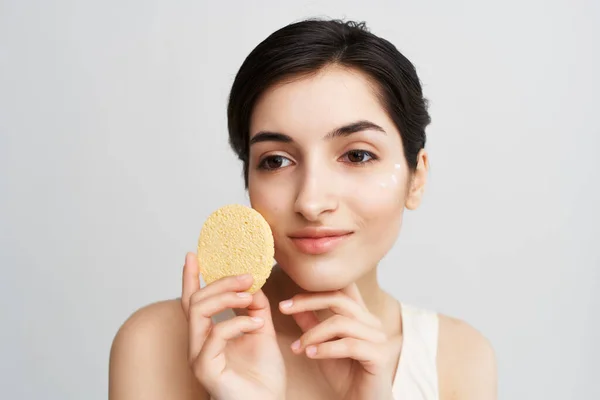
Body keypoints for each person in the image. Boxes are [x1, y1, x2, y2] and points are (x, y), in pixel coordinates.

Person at [108, 18, 497, 400]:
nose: (310, 203)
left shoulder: (457, 359)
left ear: (417, 178)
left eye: (357, 155)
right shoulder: (157, 344)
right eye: (276, 161)